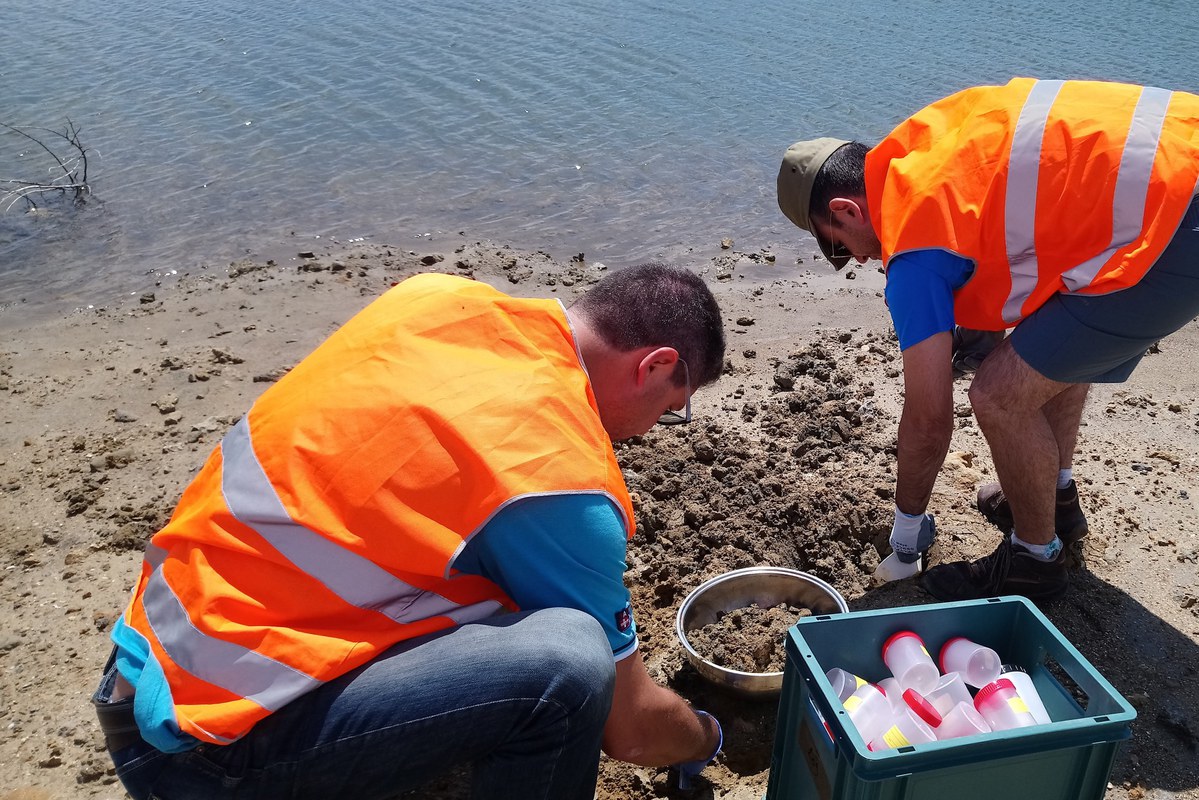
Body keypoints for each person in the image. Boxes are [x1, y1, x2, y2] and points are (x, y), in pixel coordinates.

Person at [91, 263, 727, 799]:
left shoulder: (439, 300)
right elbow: (634, 731)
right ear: (654, 365)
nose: (649, 432)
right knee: (570, 661)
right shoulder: (555, 478)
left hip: (153, 657)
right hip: (201, 751)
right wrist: (707, 734)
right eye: (669, 409)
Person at [777, 78, 1199, 601]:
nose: (856, 261)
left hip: (1174, 225)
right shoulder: (923, 144)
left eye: (837, 247)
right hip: (1178, 159)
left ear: (845, 210)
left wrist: (906, 538)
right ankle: (1056, 499)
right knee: (1046, 347)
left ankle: (1034, 562)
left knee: (998, 395)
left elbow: (929, 423)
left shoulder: (912, 244)